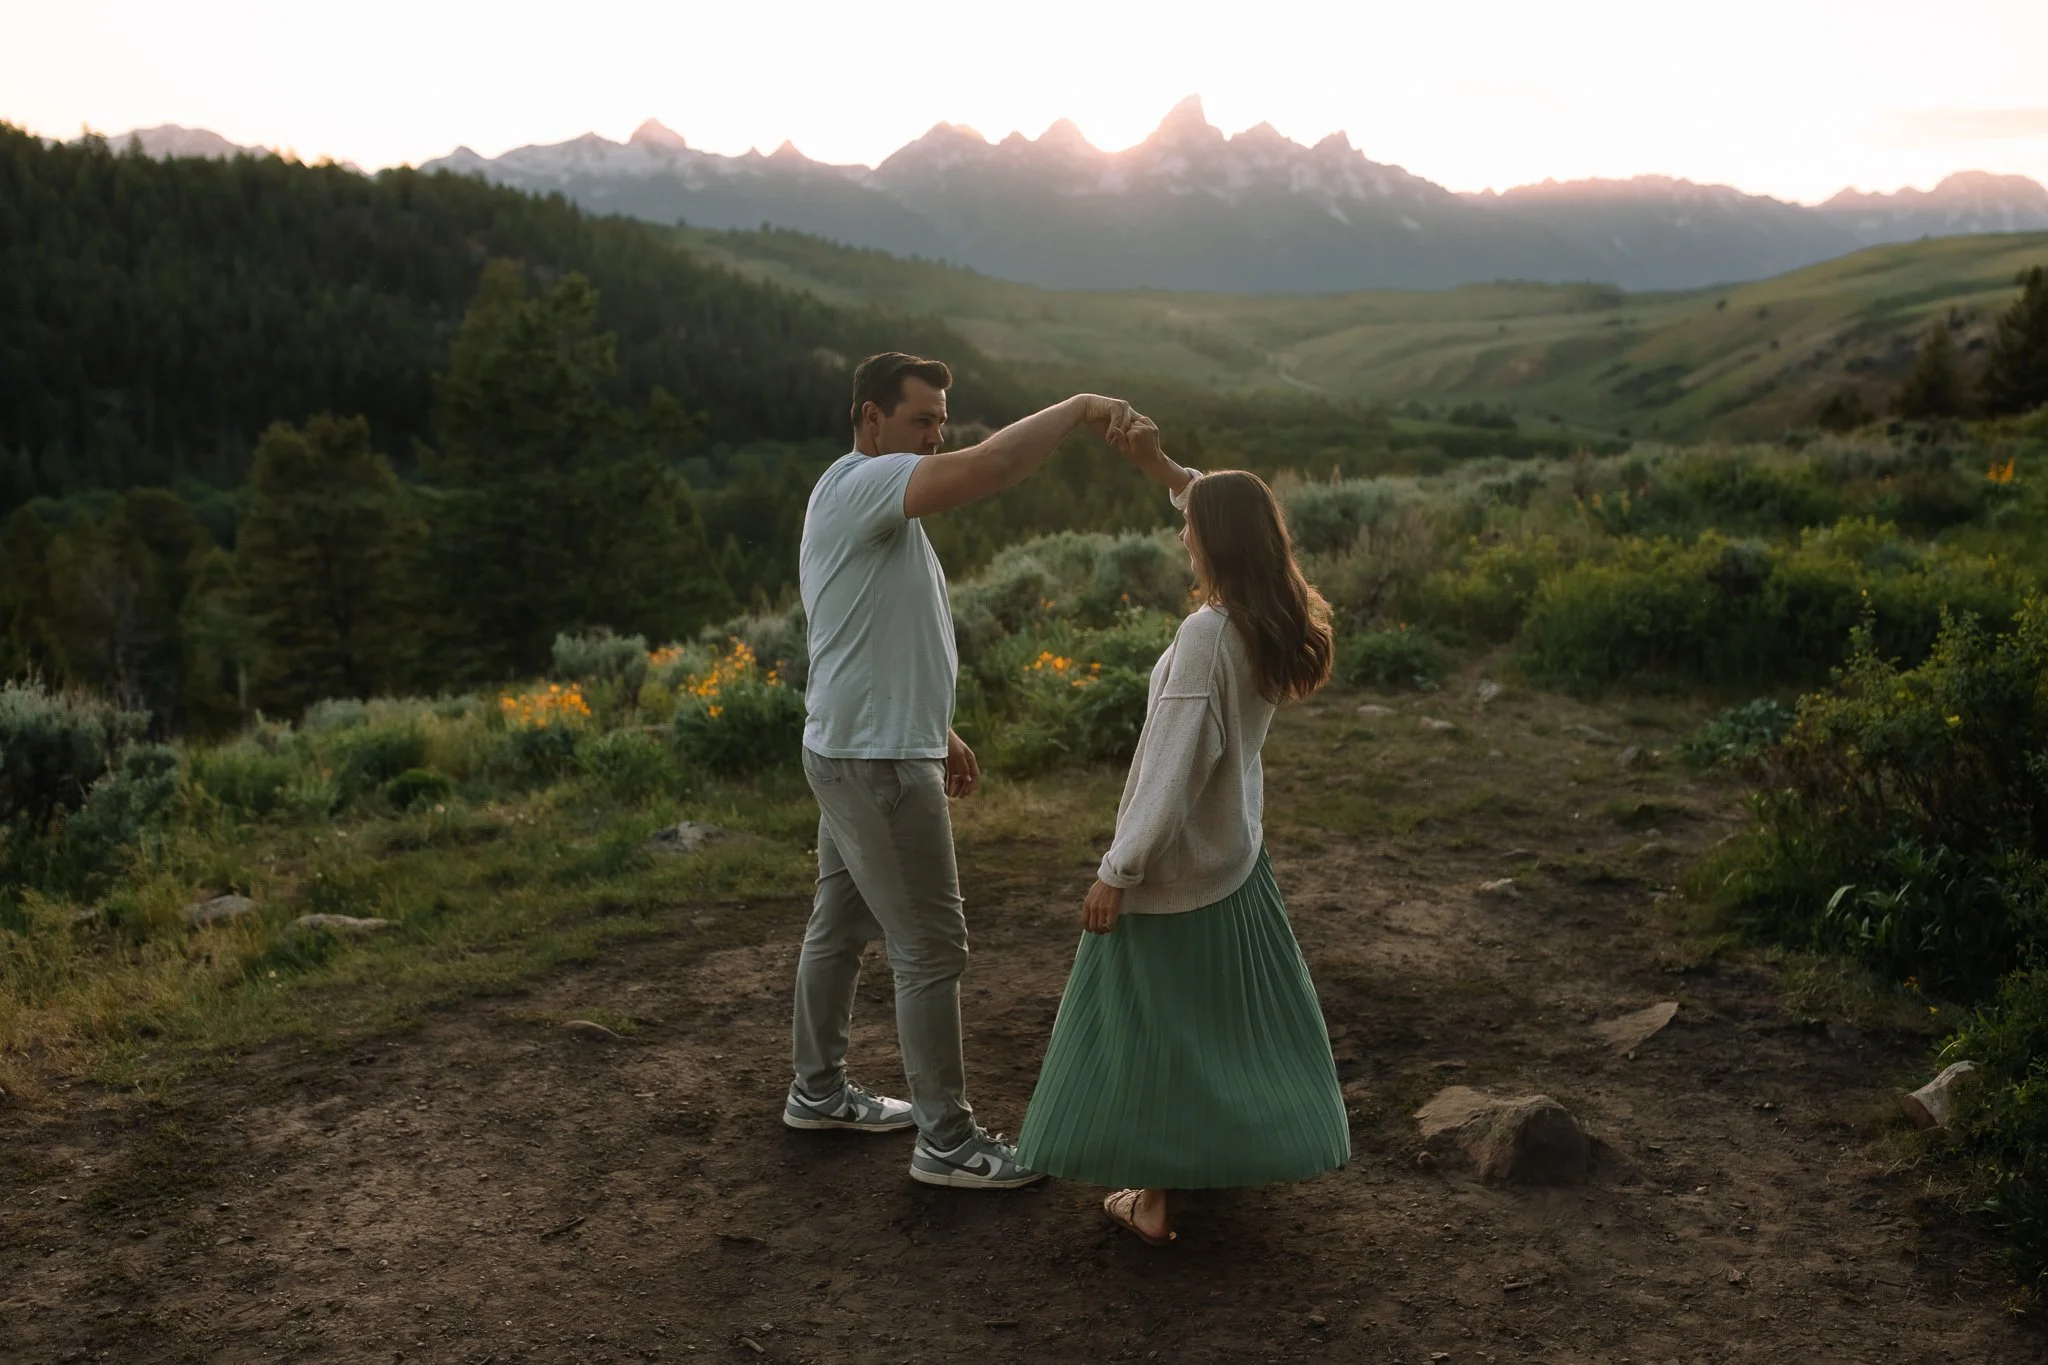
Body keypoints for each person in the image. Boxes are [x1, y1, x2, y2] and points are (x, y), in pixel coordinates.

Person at [784, 351, 1135, 1191]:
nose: (935, 438)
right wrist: (1082, 402)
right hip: (875, 764)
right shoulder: (868, 483)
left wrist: (936, 726)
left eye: (942, 424)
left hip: (855, 745)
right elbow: (997, 464)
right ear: (871, 418)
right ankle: (946, 1141)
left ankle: (818, 1090)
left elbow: (874, 630)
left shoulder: (862, 495)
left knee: (838, 925)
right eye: (920, 421)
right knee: (931, 947)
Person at [1014, 418, 1351, 1242]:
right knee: (1224, 1023)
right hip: (1233, 855)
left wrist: (1118, 868)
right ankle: (1225, 1159)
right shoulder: (1273, 615)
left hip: (1177, 865)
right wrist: (1166, 469)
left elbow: (1169, 769)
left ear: (1216, 544)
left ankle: (1157, 1201)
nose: (1180, 532)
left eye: (1189, 525)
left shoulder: (1205, 637)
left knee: (1154, 1030)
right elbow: (1216, 502)